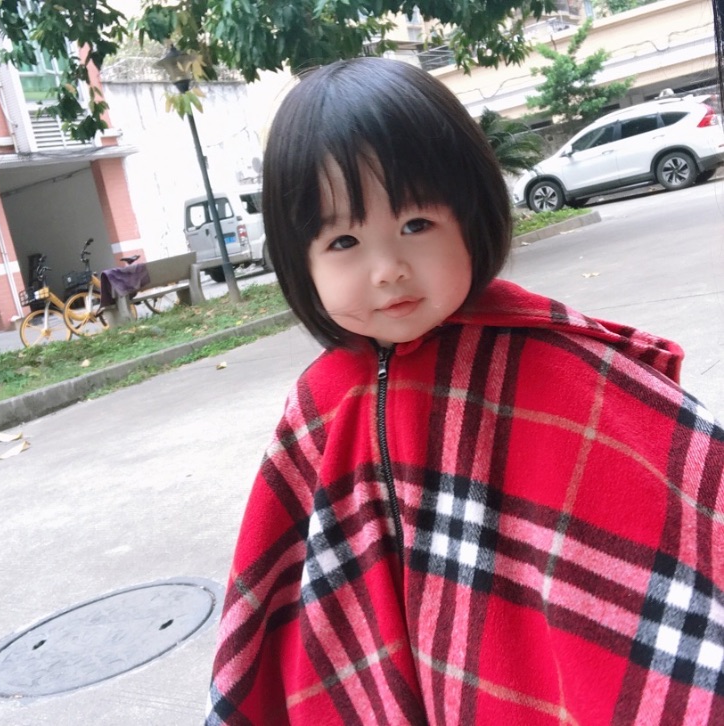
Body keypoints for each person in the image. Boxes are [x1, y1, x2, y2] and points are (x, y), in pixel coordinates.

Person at [205, 57, 724, 724]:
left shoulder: (557, 366)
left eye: (416, 225)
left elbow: (677, 536)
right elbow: (289, 600)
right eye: (343, 240)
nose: (387, 269)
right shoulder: (322, 403)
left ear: (471, 216)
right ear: (298, 261)